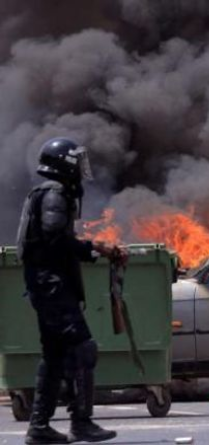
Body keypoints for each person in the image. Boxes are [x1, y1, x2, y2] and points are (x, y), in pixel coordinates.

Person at [17, 138, 120, 444]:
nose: (80, 168)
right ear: (64, 163)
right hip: (52, 287)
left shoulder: (48, 192)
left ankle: (39, 428)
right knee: (82, 348)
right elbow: (54, 238)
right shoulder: (55, 193)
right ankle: (81, 422)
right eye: (76, 161)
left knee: (54, 355)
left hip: (47, 286)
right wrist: (93, 247)